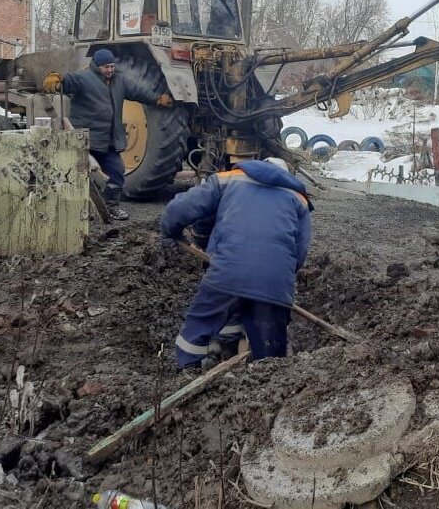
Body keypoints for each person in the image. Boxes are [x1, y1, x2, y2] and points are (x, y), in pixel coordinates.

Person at [160, 157, 313, 368]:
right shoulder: (298, 198)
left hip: (226, 272)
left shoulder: (227, 180)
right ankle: (266, 378)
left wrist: (171, 231)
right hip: (274, 280)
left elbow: (181, 208)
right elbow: (300, 250)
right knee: (271, 355)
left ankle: (187, 372)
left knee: (198, 329)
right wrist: (279, 277)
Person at [43, 49, 173, 220]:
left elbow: (138, 92)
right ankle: (76, 211)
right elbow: (69, 81)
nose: (110, 70)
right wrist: (56, 78)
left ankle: (112, 207)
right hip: (87, 140)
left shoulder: (120, 81)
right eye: (106, 67)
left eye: (112, 66)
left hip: (110, 140)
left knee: (117, 172)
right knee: (79, 174)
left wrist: (157, 99)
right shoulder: (84, 78)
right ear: (97, 66)